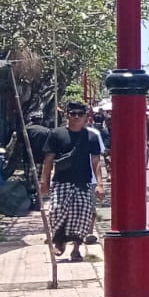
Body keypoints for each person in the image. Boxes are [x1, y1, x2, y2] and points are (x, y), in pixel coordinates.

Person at [40, 101, 104, 263]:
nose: (76, 117)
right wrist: (44, 182)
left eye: (80, 114)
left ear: (85, 117)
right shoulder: (56, 134)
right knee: (56, 211)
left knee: (82, 215)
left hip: (83, 182)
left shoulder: (91, 137)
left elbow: (96, 161)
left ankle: (76, 249)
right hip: (61, 181)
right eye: (73, 113)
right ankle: (59, 241)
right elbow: (48, 160)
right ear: (66, 115)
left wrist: (100, 184)